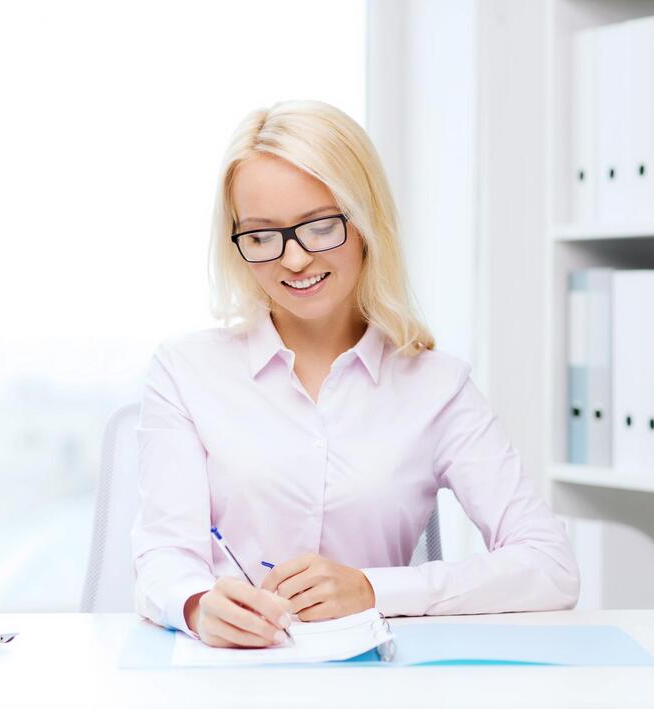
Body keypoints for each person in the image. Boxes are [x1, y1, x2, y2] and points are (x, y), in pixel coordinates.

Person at [130, 99, 579, 649]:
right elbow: (163, 557)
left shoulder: (436, 386)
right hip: (230, 678)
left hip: (371, 680)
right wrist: (197, 605)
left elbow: (550, 566)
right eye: (262, 235)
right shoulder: (185, 372)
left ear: (365, 223)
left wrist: (372, 589)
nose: (293, 259)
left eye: (320, 227)